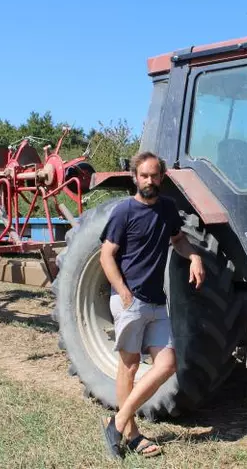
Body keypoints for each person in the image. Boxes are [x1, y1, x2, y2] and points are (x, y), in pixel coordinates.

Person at [98, 151, 205, 459]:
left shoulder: (168, 209)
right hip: (130, 300)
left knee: (167, 364)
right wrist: (123, 291)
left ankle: (117, 421)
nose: (149, 180)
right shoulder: (124, 212)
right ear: (135, 177)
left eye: (154, 175)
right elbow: (107, 255)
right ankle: (130, 433)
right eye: (143, 175)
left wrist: (194, 256)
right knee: (129, 366)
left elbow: (179, 240)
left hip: (157, 302)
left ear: (162, 178)